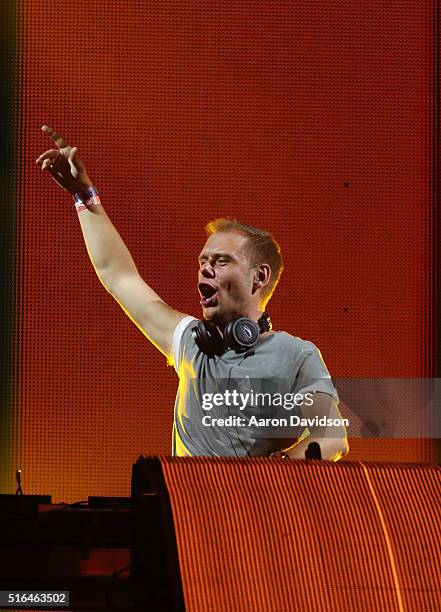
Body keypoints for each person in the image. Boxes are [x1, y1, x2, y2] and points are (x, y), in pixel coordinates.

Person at [36, 125, 349, 460]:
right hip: (186, 510)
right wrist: (84, 197)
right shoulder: (190, 341)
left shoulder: (296, 355)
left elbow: (332, 440)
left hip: (255, 509)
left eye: (221, 260)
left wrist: (271, 473)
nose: (205, 268)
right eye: (203, 261)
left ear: (259, 277)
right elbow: (118, 275)